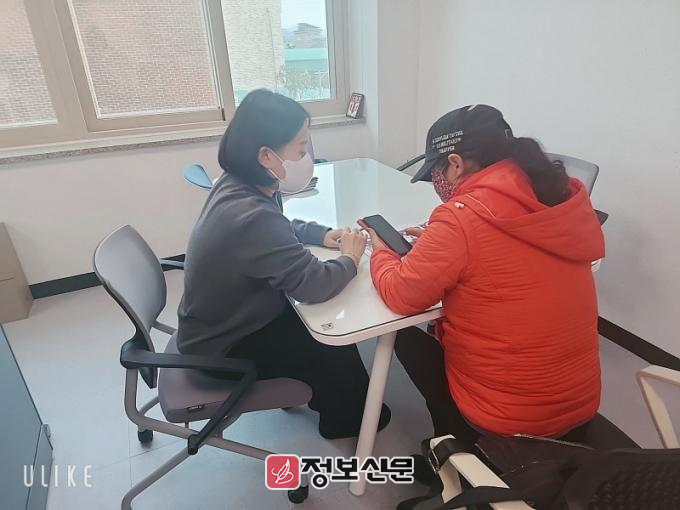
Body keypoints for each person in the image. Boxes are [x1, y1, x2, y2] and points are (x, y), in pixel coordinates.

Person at [366, 104, 604, 447]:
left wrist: (382, 250)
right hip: (580, 403)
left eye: (437, 172)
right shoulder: (559, 197)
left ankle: (454, 445)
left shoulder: (460, 218)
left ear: (455, 163)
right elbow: (506, 255)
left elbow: (401, 295)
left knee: (399, 334)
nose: (437, 182)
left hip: (508, 419)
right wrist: (439, 243)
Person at [177, 89, 390, 439]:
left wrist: (321, 234)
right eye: (301, 148)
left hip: (212, 328)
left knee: (323, 330)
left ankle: (337, 400)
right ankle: (349, 422)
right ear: (266, 155)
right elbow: (315, 285)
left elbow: (277, 224)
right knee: (331, 338)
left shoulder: (237, 184)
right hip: (224, 349)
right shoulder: (249, 216)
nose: (307, 157)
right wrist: (351, 258)